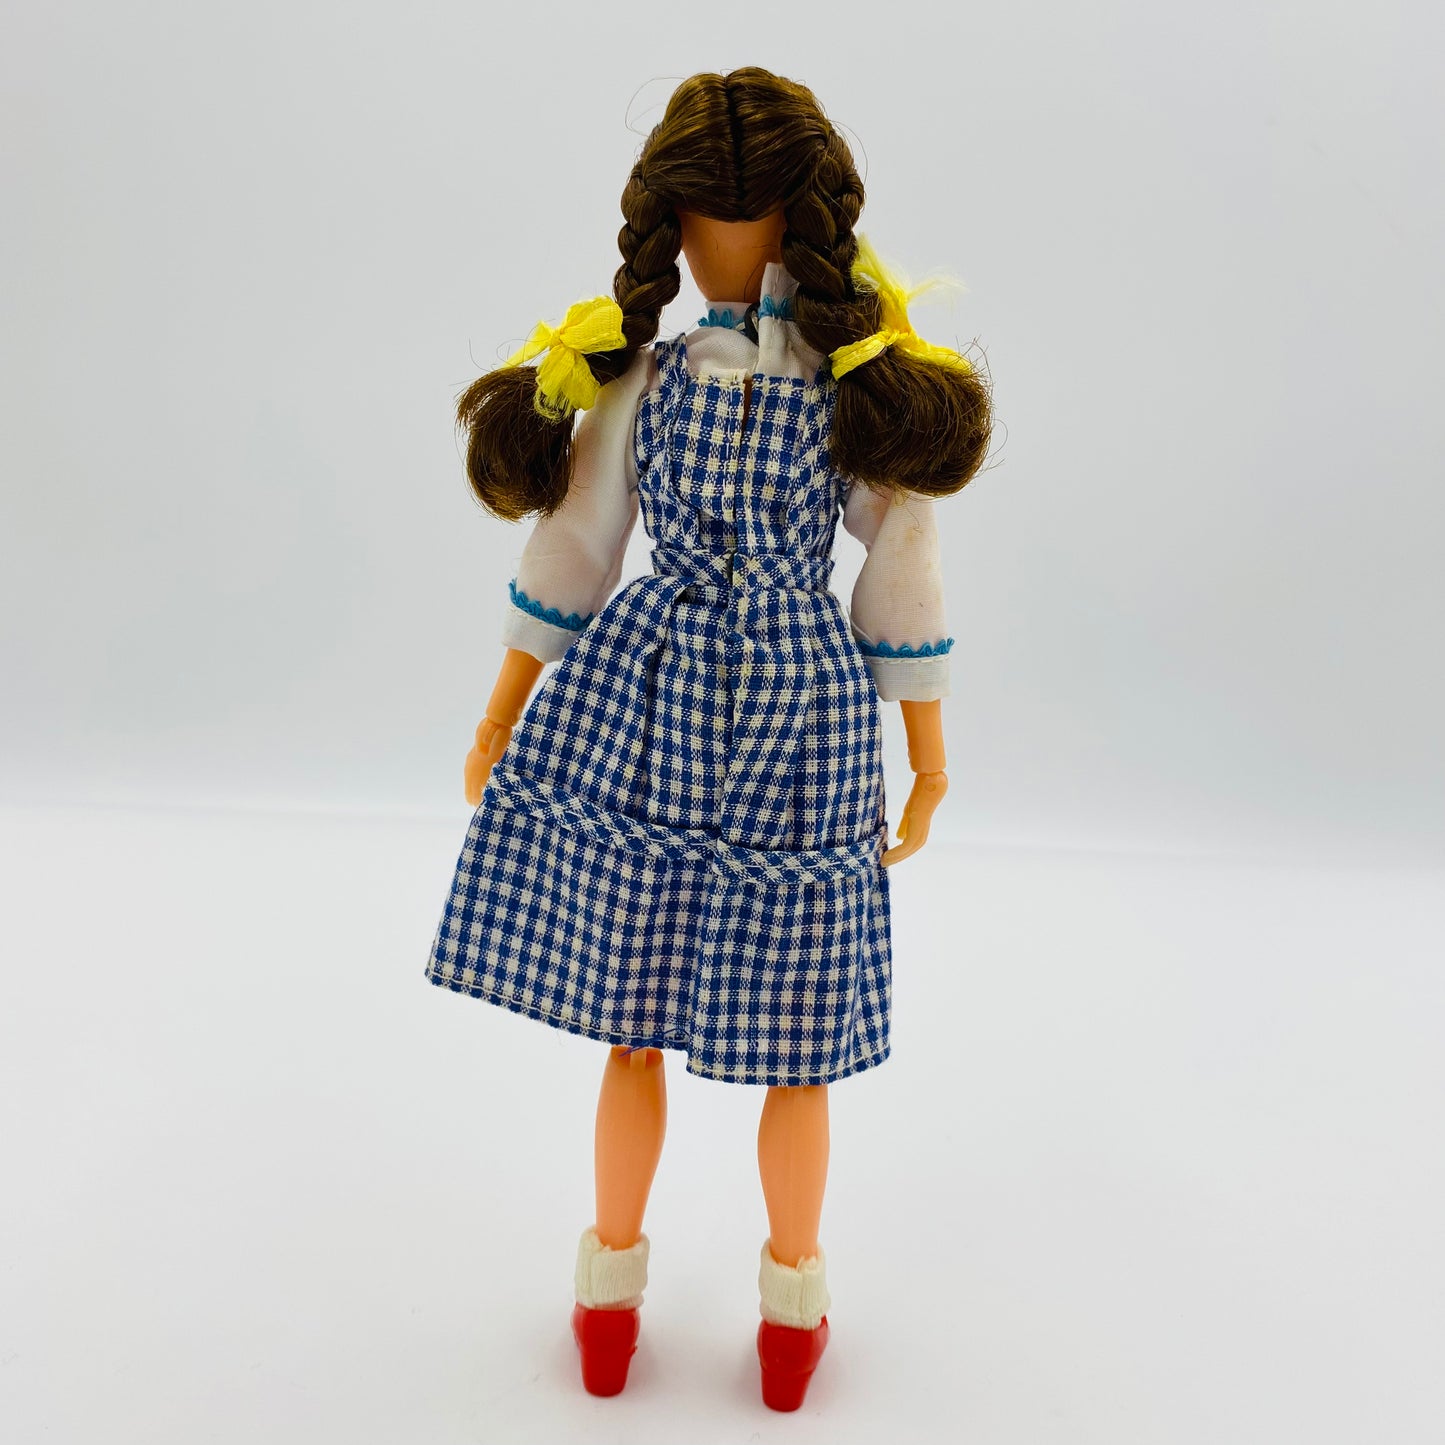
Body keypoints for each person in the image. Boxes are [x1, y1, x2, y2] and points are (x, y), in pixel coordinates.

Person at [425, 67, 992, 1411]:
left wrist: (927, 748)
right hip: (675, 696)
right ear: (671, 228)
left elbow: (898, 562)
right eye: (702, 217)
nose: (721, 242)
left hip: (775, 709)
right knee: (655, 1024)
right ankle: (644, 1284)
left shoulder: (847, 389)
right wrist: (506, 700)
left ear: (799, 221)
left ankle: (751, 1288)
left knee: (772, 1034)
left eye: (741, 215)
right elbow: (579, 540)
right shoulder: (661, 379)